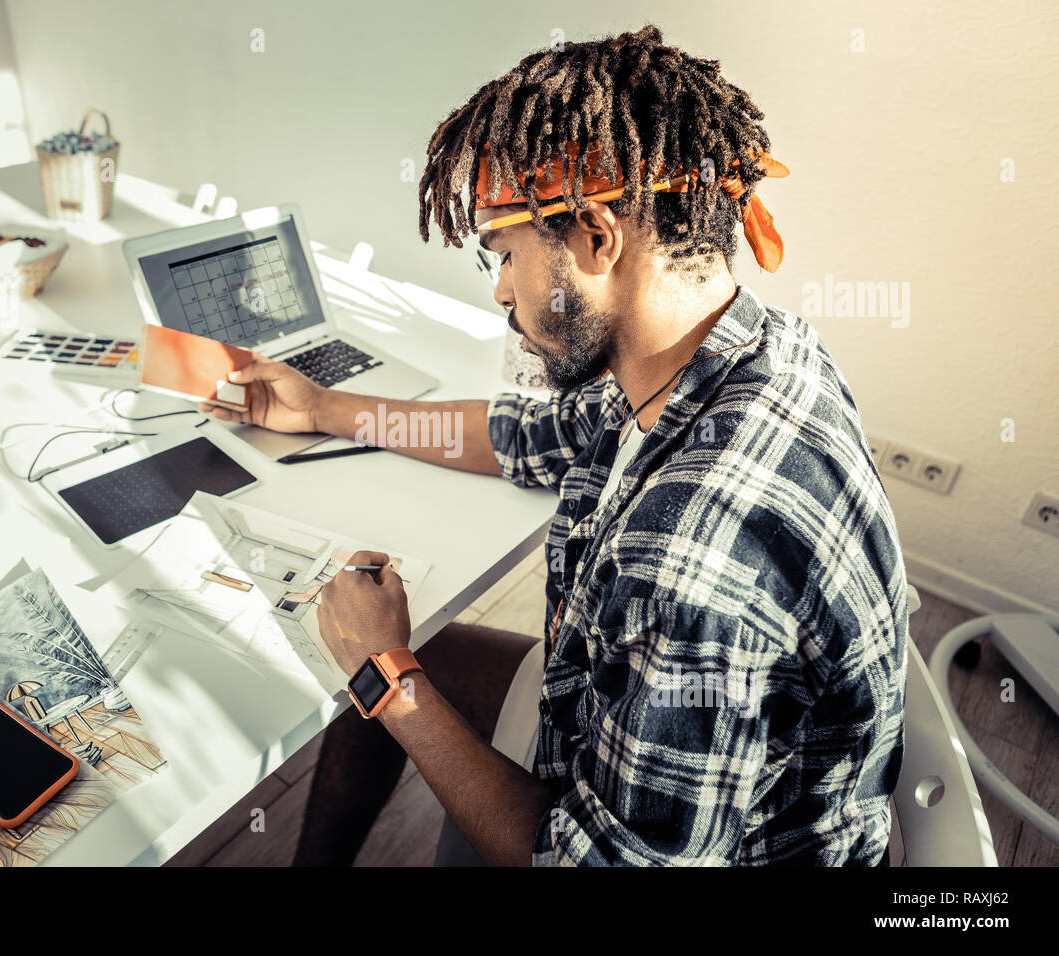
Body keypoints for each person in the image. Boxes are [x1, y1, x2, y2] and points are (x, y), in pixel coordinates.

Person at [201, 25, 908, 866]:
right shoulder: (738, 348)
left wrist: (383, 674)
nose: (502, 289)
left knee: (393, 669)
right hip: (637, 739)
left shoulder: (691, 557)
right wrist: (324, 408)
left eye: (503, 253)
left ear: (597, 238)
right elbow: (523, 436)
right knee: (409, 660)